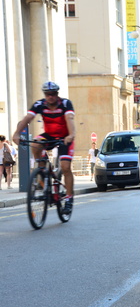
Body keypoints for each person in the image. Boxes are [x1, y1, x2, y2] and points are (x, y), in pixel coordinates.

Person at [12, 81, 76, 214]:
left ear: (57, 94)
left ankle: (69, 198)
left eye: (53, 94)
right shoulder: (39, 105)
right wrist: (17, 133)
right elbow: (27, 119)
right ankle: (42, 168)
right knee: (35, 143)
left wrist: (71, 135)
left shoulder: (65, 104)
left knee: (65, 167)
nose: (50, 97)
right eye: (47, 94)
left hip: (65, 137)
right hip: (49, 135)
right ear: (45, 95)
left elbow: (69, 119)